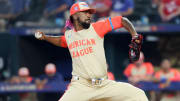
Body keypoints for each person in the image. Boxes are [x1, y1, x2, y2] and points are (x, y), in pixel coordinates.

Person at [34, 2, 148, 101]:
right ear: (74, 16)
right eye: (85, 12)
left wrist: (134, 35)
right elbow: (60, 41)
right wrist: (45, 37)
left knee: (138, 95)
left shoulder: (96, 27)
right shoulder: (69, 35)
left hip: (104, 85)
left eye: (89, 12)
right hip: (81, 86)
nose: (89, 15)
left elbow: (122, 20)